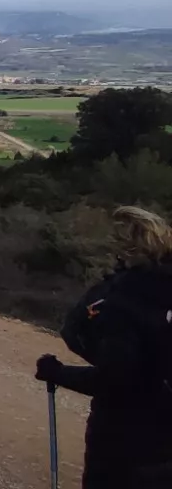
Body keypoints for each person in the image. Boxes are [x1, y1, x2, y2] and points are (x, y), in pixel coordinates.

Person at [35, 206, 172, 487]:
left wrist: (57, 373)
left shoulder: (124, 300)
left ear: (125, 249)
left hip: (127, 439)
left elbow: (116, 380)